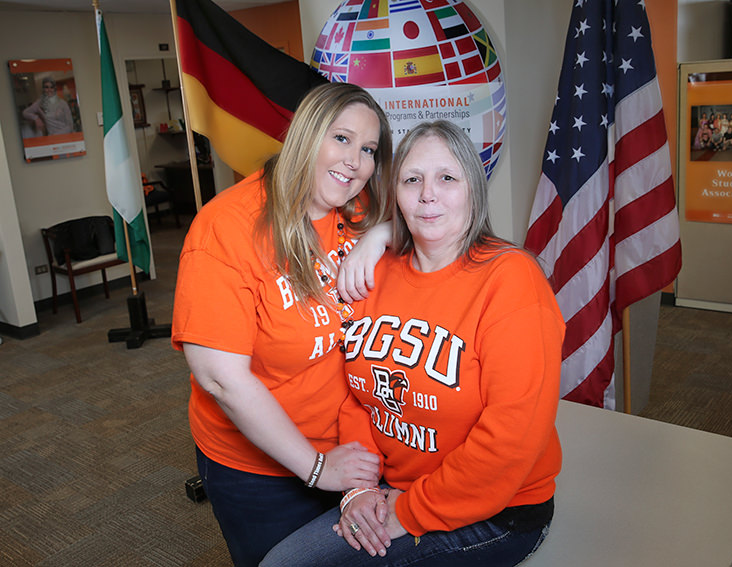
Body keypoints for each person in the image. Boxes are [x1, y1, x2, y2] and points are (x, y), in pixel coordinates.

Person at [261, 121, 564, 567]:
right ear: (396, 194)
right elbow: (358, 396)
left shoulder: (512, 281)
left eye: (447, 178)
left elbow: (511, 440)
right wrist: (360, 488)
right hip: (390, 489)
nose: (427, 195)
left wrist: (407, 513)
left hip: (498, 511)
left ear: (473, 189)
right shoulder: (376, 273)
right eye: (412, 179)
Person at [171, 82, 395, 567]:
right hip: (264, 471)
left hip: (351, 446)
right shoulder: (226, 228)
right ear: (305, 135)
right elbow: (221, 378)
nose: (355, 162)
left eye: (368, 149)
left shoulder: (355, 209)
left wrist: (380, 233)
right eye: (341, 138)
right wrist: (317, 469)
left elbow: (429, 213)